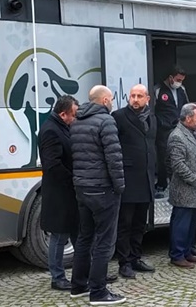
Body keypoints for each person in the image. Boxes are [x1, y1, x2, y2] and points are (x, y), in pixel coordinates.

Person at [70, 85, 126, 305]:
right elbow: (114, 158)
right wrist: (120, 187)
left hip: (82, 187)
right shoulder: (106, 121)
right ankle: (99, 292)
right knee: (104, 240)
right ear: (104, 100)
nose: (112, 102)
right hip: (103, 188)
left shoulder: (77, 121)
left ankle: (78, 285)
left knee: (85, 238)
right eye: (111, 98)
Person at [111, 84, 157, 279]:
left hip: (146, 178)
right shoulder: (119, 116)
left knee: (140, 223)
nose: (135, 99)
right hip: (128, 179)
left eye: (139, 96)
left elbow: (152, 145)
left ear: (147, 98)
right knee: (125, 224)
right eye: (132, 96)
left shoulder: (152, 118)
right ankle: (124, 263)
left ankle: (136, 257)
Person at [38, 95, 80, 291]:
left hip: (68, 192)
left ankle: (85, 271)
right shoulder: (50, 131)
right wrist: (72, 179)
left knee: (76, 232)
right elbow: (52, 164)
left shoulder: (61, 127)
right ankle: (57, 277)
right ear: (63, 114)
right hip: (59, 193)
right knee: (59, 235)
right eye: (73, 115)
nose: (75, 119)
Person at [166, 103, 196, 269]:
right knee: (181, 224)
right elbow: (177, 164)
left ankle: (187, 250)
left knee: (191, 223)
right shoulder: (177, 136)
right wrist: (194, 179)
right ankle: (177, 255)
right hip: (184, 189)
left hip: (194, 189)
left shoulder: (193, 133)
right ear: (188, 118)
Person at [154, 65, 189, 199]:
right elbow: (153, 110)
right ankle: (162, 184)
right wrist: (160, 123)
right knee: (164, 157)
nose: (179, 82)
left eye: (182, 80)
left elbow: (186, 107)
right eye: (178, 79)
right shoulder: (158, 90)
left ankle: (177, 184)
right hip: (164, 129)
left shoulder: (182, 89)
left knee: (179, 156)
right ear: (170, 77)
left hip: (179, 128)